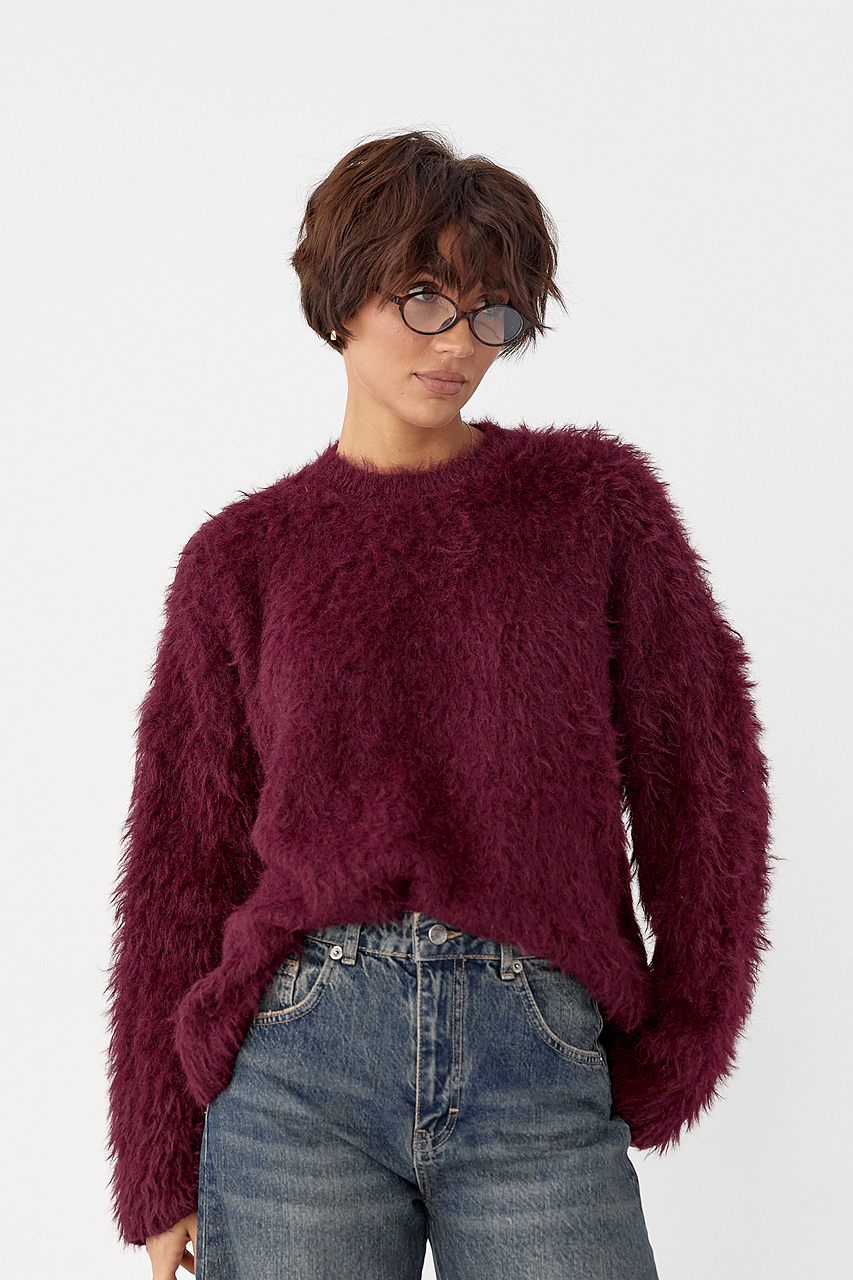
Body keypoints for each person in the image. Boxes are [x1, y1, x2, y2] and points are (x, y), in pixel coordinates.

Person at [107, 130, 772, 1280]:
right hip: (296, 1070)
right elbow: (182, 857)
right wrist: (157, 1159)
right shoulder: (242, 559)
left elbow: (705, 776)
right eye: (424, 298)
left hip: (537, 1051)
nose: (460, 342)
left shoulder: (592, 506)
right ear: (341, 294)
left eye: (491, 313)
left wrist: (685, 1039)